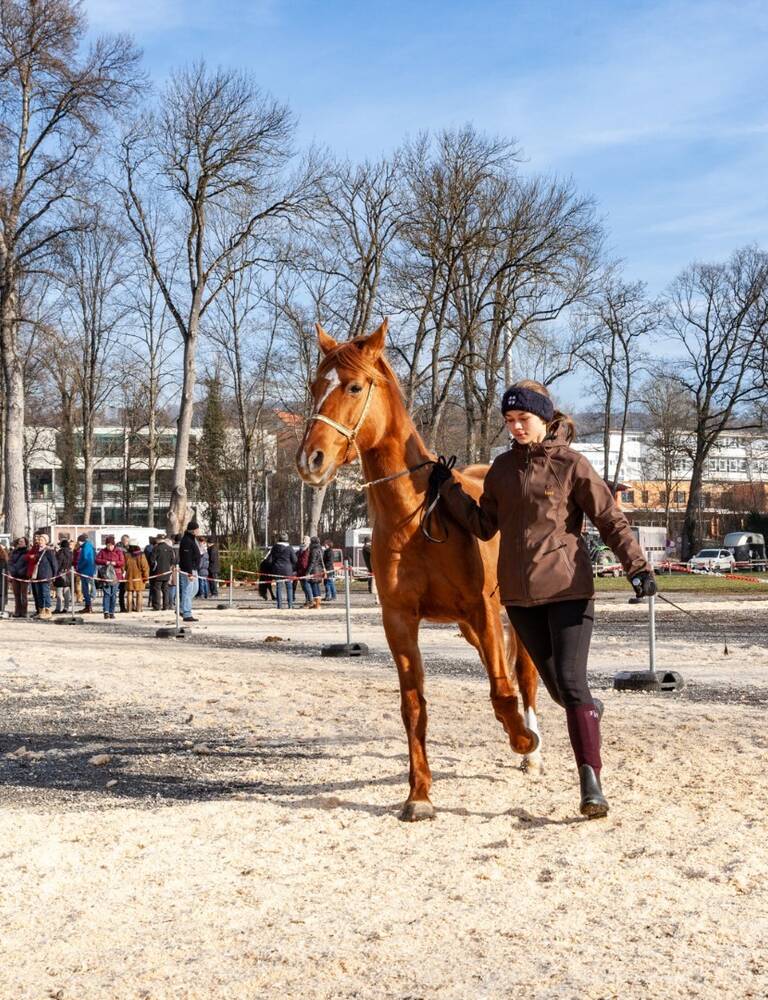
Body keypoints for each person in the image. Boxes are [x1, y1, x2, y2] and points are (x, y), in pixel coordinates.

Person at [433, 380, 657, 820]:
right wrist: (450, 491)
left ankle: (591, 782)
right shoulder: (500, 470)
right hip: (519, 600)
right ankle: (588, 711)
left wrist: (638, 568)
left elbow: (610, 518)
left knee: (572, 685)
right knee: (558, 688)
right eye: (509, 421)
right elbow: (482, 526)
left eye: (523, 420)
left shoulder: (572, 465)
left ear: (545, 419)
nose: (516, 427)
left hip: (568, 590)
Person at [96, 534, 125, 619]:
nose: (110, 547)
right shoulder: (102, 551)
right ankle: (106, 611)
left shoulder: (118, 551)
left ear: (114, 544)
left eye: (111, 545)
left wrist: (115, 563)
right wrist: (106, 562)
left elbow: (122, 562)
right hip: (106, 576)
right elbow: (97, 560)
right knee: (107, 594)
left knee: (114, 594)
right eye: (108, 545)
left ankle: (112, 612)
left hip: (116, 576)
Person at [29, 533, 57, 620]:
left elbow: (54, 564)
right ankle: (41, 611)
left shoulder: (49, 551)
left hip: (45, 576)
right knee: (39, 594)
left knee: (45, 593)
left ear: (46, 541)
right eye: (39, 540)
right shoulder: (38, 551)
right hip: (37, 576)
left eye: (42, 540)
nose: (39, 542)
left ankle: (47, 611)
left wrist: (54, 575)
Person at [178, 518, 201, 622]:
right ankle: (186, 613)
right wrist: (189, 573)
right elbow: (186, 558)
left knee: (195, 590)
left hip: (194, 568)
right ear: (193, 530)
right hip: (188, 569)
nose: (198, 531)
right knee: (187, 590)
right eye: (197, 529)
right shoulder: (186, 541)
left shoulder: (192, 539)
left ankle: (181, 608)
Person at [269, 534, 297, 609]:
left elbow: (270, 559)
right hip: (287, 570)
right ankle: (290, 605)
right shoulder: (290, 548)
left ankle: (279, 606)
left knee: (279, 588)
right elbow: (295, 560)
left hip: (277, 569)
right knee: (289, 588)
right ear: (287, 539)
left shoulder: (274, 547)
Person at [150, 533, 176, 610]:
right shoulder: (170, 548)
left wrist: (153, 568)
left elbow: (152, 560)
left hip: (158, 572)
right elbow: (173, 560)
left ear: (158, 539)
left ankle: (157, 606)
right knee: (165, 589)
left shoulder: (156, 548)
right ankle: (166, 606)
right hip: (167, 571)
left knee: (157, 589)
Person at [124, 540, 149, 612]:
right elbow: (145, 567)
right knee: (139, 592)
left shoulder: (126, 555)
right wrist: (145, 576)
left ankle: (129, 609)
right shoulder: (141, 555)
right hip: (139, 576)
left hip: (129, 576)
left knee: (129, 592)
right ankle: (139, 609)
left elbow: (124, 566)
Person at [75, 533, 96, 613]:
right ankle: (88, 606)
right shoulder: (88, 546)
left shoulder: (86, 547)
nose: (78, 543)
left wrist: (78, 568)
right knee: (86, 589)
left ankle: (88, 606)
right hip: (88, 570)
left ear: (81, 541)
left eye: (79, 541)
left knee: (85, 589)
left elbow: (86, 559)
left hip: (85, 571)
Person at [9, 537, 29, 618]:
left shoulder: (28, 552)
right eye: (19, 541)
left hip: (24, 576)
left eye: (22, 541)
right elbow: (10, 562)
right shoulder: (14, 552)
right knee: (16, 594)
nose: (20, 543)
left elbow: (28, 564)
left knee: (23, 595)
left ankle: (24, 612)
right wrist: (12, 571)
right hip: (15, 576)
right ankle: (17, 611)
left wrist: (22, 571)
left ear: (25, 543)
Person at [53, 538, 73, 614]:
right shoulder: (71, 553)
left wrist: (55, 573)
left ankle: (58, 608)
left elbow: (57, 564)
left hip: (60, 573)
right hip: (68, 573)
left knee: (59, 592)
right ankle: (66, 607)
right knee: (66, 592)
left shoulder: (59, 553)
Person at [306, 536, 325, 610]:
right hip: (319, 570)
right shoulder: (320, 549)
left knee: (314, 586)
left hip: (314, 570)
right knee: (316, 586)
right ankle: (317, 604)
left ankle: (317, 605)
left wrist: (308, 572)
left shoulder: (314, 550)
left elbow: (312, 562)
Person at [296, 536, 313, 607]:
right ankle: (307, 601)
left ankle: (310, 601)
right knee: (304, 587)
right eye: (303, 539)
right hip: (300, 571)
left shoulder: (309, 550)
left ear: (309, 541)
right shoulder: (301, 549)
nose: (304, 541)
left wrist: (307, 571)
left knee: (307, 586)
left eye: (305, 540)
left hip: (305, 571)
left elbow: (307, 561)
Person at [117, 533, 131, 612]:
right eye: (125, 541)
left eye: (127, 541)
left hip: (128, 570)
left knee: (129, 589)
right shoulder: (119, 548)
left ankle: (130, 606)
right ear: (122, 540)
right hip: (121, 571)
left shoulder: (129, 547)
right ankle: (122, 607)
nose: (126, 542)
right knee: (122, 590)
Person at [197, 534, 209, 599]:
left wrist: (198, 567)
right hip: (206, 569)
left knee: (201, 582)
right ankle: (206, 594)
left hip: (202, 569)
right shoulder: (206, 551)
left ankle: (201, 594)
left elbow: (201, 562)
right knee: (205, 582)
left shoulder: (202, 551)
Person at [0, 542, 8, 614]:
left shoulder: (2, 556)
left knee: (1, 593)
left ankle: (1, 609)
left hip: (1, 579)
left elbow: (4, 568)